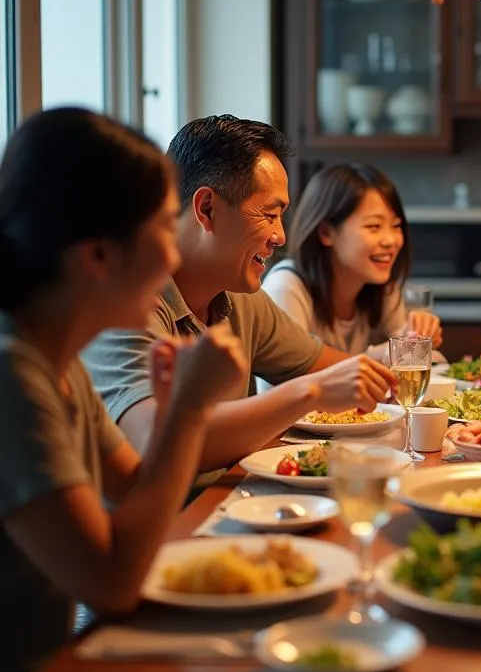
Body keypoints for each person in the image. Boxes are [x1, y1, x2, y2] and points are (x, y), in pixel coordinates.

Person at [0, 108, 247, 672]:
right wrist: (189, 407)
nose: (174, 257)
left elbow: (142, 495)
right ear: (98, 256)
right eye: (164, 228)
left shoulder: (55, 360)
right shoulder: (12, 376)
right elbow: (111, 581)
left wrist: (176, 411)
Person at [82, 115, 394, 474]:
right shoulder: (130, 305)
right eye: (269, 214)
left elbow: (333, 370)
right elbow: (151, 440)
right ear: (207, 210)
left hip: (229, 504)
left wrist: (402, 376)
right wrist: (310, 393)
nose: (280, 237)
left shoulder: (240, 295)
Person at [261, 164, 442, 359]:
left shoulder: (382, 289)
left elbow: (425, 363)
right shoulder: (287, 288)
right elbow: (288, 382)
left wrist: (416, 339)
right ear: (326, 232)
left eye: (396, 225)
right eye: (374, 226)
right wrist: (387, 353)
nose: (391, 240)